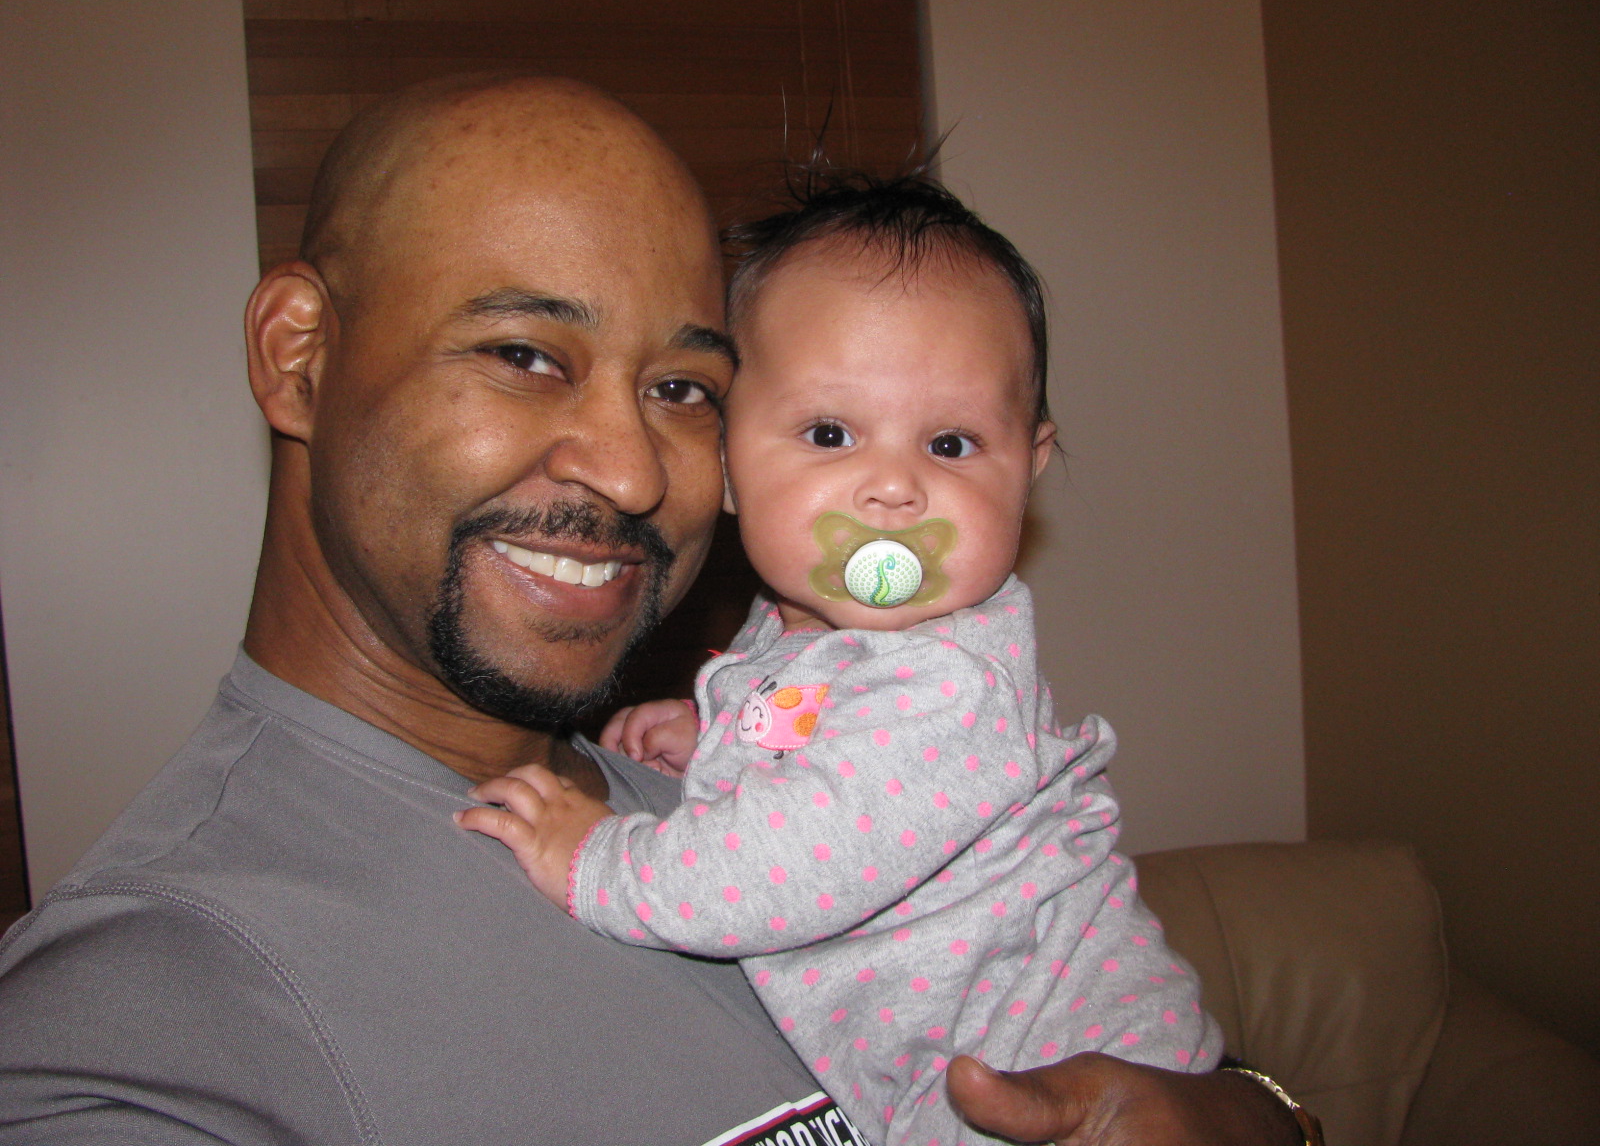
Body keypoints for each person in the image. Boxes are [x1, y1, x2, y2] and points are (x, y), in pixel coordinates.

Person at [0, 74, 1308, 1145]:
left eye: (682, 389)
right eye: (525, 355)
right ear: (299, 355)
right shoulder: (161, 1002)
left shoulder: (711, 777)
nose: (633, 472)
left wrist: (1247, 1114)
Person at [458, 174, 1225, 1146]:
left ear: (1027, 467)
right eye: (830, 434)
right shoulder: (807, 632)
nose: (894, 487)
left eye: (951, 443)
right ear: (726, 461)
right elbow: (840, 749)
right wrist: (725, 735)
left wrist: (599, 861)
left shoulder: (950, 685)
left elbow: (779, 868)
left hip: (1067, 1083)